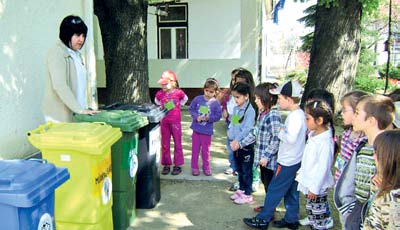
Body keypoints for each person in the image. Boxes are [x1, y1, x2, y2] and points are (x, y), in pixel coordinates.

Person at [243, 80, 307, 229]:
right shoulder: (297, 114)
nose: (277, 100)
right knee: (291, 191)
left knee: (274, 190)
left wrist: (280, 132)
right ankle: (291, 219)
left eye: (280, 98)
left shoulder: (295, 117)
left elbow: (290, 138)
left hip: (287, 162)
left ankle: (263, 219)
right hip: (293, 160)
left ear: (289, 99)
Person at [335, 94, 395, 229]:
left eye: (357, 113)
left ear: (371, 121)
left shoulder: (389, 151)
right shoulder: (362, 147)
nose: (354, 117)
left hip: (376, 214)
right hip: (358, 210)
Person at [43, 15, 99, 122]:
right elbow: (59, 85)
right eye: (77, 35)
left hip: (76, 113)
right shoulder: (57, 52)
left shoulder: (76, 54)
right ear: (67, 34)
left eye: (83, 36)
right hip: (59, 117)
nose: (81, 39)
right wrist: (79, 109)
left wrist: (82, 109)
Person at [237, 83, 281, 212]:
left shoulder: (272, 115)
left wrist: (266, 156)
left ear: (268, 98)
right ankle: (268, 207)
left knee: (270, 186)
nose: (255, 100)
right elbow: (255, 132)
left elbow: (276, 139)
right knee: (266, 183)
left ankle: (269, 211)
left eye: (258, 98)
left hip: (268, 160)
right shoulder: (263, 113)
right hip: (262, 159)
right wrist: (241, 143)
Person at [296, 99, 335, 229]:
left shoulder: (325, 141)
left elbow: (323, 167)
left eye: (307, 119)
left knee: (318, 215)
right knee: (311, 211)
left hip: (316, 186)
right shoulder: (314, 134)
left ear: (319, 121)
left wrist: (315, 188)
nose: (305, 122)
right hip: (310, 182)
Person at [332, 90, 368, 228]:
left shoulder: (364, 141)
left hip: (352, 193)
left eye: (345, 110)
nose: (341, 113)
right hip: (341, 186)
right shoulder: (347, 133)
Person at [362, 130, 400, 229]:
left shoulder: (392, 204)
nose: (373, 156)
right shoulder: (387, 186)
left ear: (391, 158)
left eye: (377, 152)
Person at [227, 82, 256, 204]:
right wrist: (231, 137)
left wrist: (237, 140)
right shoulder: (235, 109)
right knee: (239, 169)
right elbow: (233, 124)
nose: (235, 99)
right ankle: (242, 190)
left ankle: (248, 194)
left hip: (245, 145)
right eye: (234, 97)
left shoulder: (250, 111)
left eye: (238, 97)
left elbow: (247, 129)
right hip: (235, 144)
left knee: (246, 171)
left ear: (246, 96)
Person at [155, 70, 188, 175]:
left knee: (177, 143)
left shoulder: (179, 93)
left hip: (175, 122)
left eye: (165, 83)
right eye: (162, 84)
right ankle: (166, 164)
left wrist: (178, 106)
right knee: (165, 143)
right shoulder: (160, 94)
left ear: (173, 82)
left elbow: (184, 99)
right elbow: (157, 101)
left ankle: (177, 165)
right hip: (164, 122)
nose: (163, 86)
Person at [188, 78, 222, 176]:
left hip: (207, 131)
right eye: (206, 90)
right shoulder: (197, 99)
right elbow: (191, 109)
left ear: (215, 92)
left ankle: (206, 167)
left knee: (205, 151)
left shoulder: (215, 103)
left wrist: (209, 118)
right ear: (204, 89)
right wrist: (196, 117)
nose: (208, 93)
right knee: (195, 150)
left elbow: (218, 116)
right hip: (196, 129)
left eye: (211, 92)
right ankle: (194, 167)